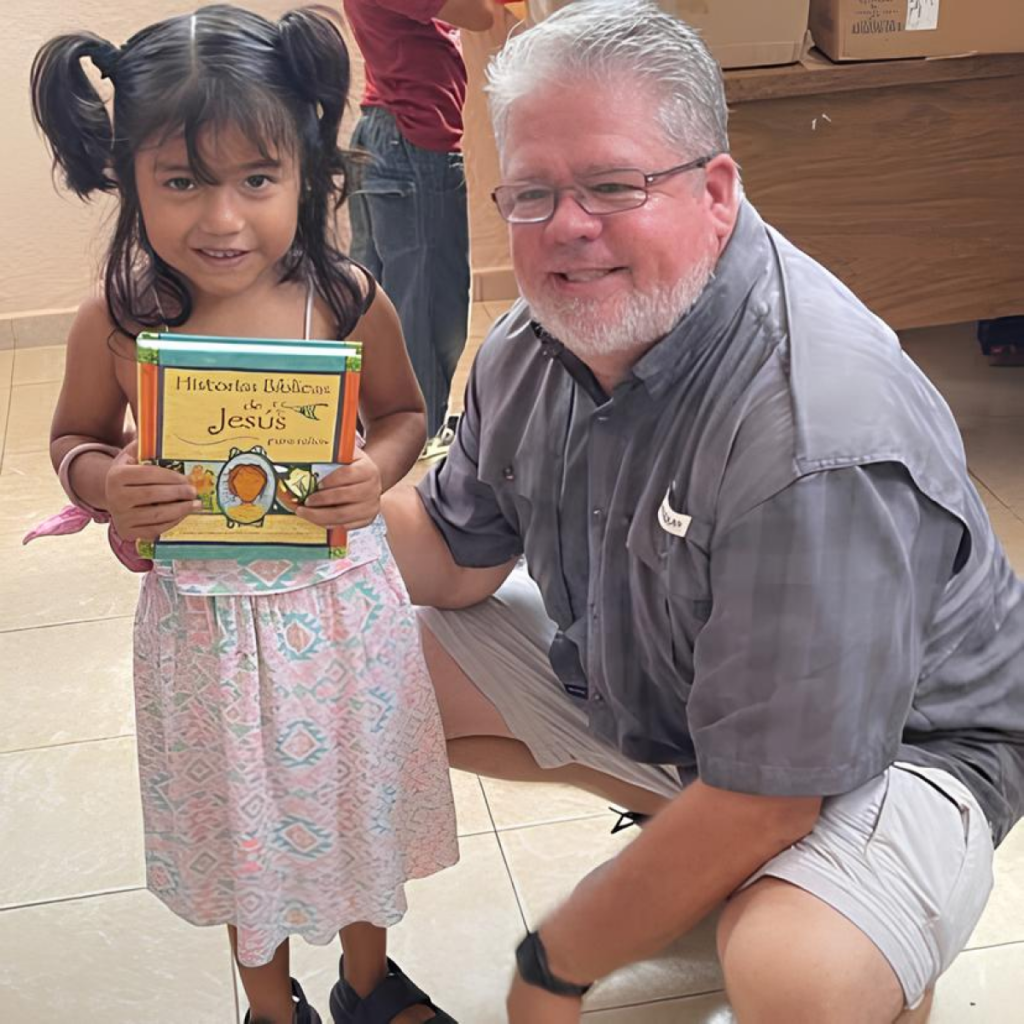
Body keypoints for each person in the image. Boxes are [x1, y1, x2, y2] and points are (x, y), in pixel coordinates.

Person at [381, 1, 1024, 1021]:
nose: (566, 228)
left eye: (612, 186)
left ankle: (866, 940)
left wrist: (552, 966)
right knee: (367, 658)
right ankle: (709, 856)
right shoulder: (528, 345)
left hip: (904, 738)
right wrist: (293, 503)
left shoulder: (812, 430)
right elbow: (452, 560)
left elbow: (777, 787)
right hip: (692, 683)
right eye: (531, 192)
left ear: (715, 192)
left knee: (792, 970)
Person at [29, 7, 459, 1024]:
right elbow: (72, 440)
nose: (222, 220)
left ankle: (366, 980)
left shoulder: (346, 298)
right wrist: (104, 483)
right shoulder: (119, 317)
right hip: (208, 643)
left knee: (354, 812)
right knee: (241, 833)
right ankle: (272, 1006)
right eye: (181, 181)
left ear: (305, 171)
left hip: (342, 625)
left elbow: (405, 412)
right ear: (128, 174)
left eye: (255, 180)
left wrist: (376, 469)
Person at [341, 0, 503, 458]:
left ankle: (363, 424)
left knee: (375, 296)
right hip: (411, 139)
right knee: (431, 296)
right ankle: (422, 429)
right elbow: (480, 15)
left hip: (388, 132)